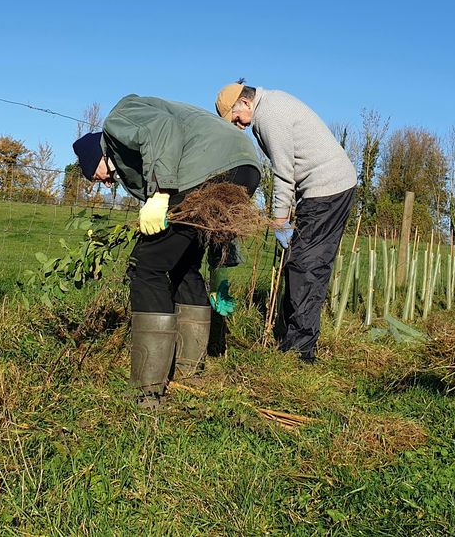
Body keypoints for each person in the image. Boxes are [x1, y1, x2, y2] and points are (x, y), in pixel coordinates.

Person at [72, 94, 260, 406]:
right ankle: (189, 371)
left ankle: (147, 391)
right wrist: (221, 273)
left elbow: (163, 127)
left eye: (96, 176)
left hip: (207, 169)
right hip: (244, 167)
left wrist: (160, 194)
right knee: (184, 264)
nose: (104, 184)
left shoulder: (118, 119)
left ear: (96, 157)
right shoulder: (131, 159)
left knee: (146, 267)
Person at [215, 83, 357, 363]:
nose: (237, 125)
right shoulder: (268, 107)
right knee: (305, 263)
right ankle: (295, 340)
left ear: (245, 103)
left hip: (327, 190)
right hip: (328, 188)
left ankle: (299, 351)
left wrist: (280, 219)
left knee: (306, 266)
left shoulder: (270, 116)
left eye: (235, 117)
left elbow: (283, 173)